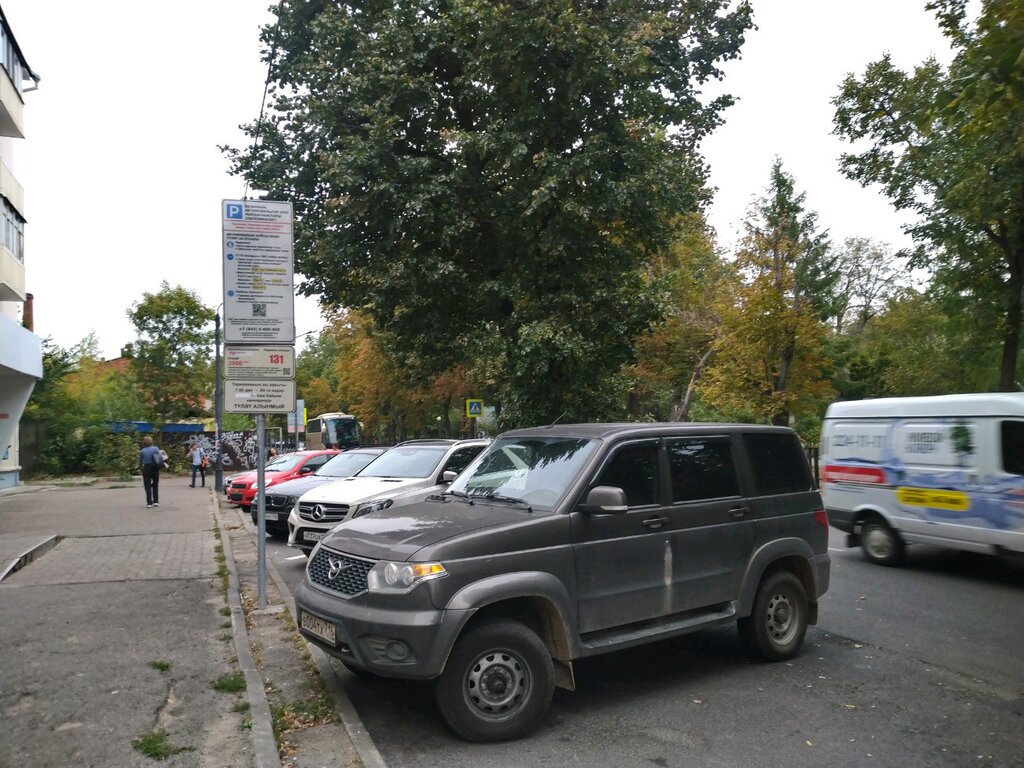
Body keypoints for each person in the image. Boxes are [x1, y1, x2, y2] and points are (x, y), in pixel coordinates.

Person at [139, 435, 163, 508]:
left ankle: (149, 503)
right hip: (155, 468)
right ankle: (156, 501)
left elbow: (140, 462)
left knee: (147, 485)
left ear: (144, 443)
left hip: (146, 468)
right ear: (152, 442)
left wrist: (141, 470)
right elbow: (159, 459)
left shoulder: (142, 451)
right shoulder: (155, 448)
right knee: (155, 484)